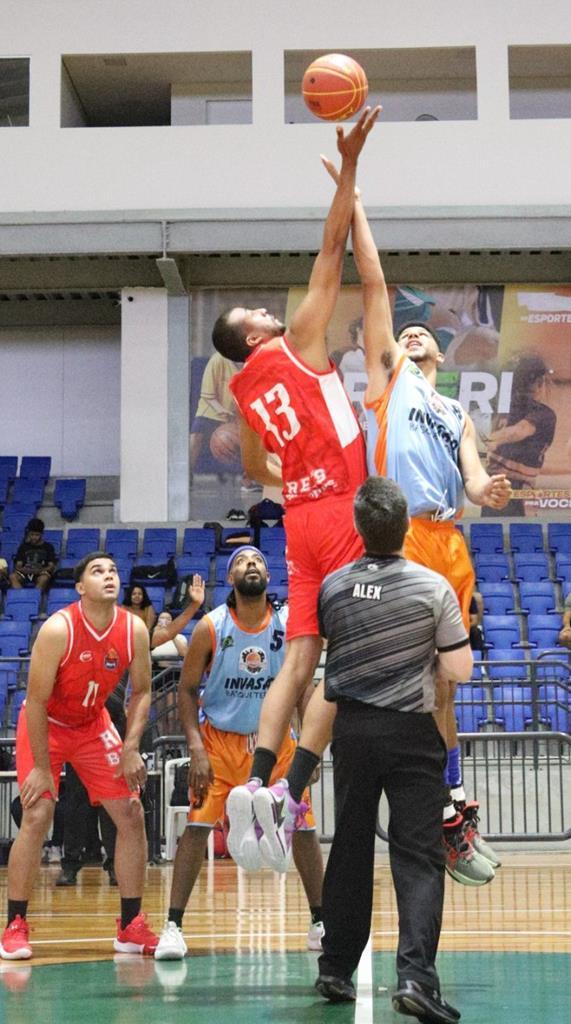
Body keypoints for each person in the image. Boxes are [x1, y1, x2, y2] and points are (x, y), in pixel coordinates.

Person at [227, 151, 506, 881]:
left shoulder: (454, 412)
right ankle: (370, 801)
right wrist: (351, 197)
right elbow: (368, 280)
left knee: (443, 682)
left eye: (422, 336)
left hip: (428, 533)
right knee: (362, 674)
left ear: (441, 354)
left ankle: (435, 803)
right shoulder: (384, 381)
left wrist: (489, 492)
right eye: (403, 335)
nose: (411, 337)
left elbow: (474, 481)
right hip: (385, 525)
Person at [211, 108, 380, 870]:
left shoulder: (245, 392)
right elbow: (331, 246)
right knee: (346, 664)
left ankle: (255, 778)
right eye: (256, 313)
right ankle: (288, 793)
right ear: (253, 336)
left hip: (298, 519)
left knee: (297, 654)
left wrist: (299, 475)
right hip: (341, 511)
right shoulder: (297, 339)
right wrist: (348, 169)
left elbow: (254, 471)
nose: (268, 311)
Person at [314, 477, 471, 1024]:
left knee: (350, 847)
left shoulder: (332, 587)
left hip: (352, 732)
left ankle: (335, 966)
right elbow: (459, 670)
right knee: (419, 857)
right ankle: (415, 978)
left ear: (359, 529)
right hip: (411, 735)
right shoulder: (432, 588)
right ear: (407, 526)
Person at [154, 545, 324, 961]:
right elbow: (187, 690)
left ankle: (321, 921)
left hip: (276, 744)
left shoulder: (286, 624)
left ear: (269, 577)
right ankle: (173, 926)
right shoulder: (210, 628)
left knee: (303, 828)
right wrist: (195, 746)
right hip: (219, 743)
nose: (252, 565)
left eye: (259, 561)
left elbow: (302, 687)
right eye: (242, 563)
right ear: (230, 579)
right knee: (195, 828)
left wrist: (310, 748)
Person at [0, 551, 159, 960]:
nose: (109, 575)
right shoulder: (58, 629)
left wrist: (130, 747)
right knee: (37, 814)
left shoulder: (134, 630)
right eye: (97, 571)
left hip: (92, 725)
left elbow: (142, 692)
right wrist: (39, 767)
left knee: (131, 814)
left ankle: (130, 926)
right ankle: (15, 924)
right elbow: (34, 701)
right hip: (46, 724)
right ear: (80, 588)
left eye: (113, 569)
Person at [483, 354, 556, 516]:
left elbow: (518, 430)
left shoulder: (502, 407)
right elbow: (521, 430)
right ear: (539, 383)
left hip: (495, 484)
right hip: (512, 486)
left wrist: (490, 440)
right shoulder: (544, 413)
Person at [9, 518, 57, 594]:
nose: (34, 537)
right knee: (13, 577)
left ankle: (34, 596)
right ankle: (22, 597)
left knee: (44, 578)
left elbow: (51, 566)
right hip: (25, 572)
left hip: (41, 572)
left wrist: (39, 570)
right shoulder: (23, 547)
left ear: (42, 534)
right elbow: (18, 565)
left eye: (37, 535)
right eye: (32, 534)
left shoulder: (48, 547)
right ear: (28, 533)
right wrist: (24, 570)